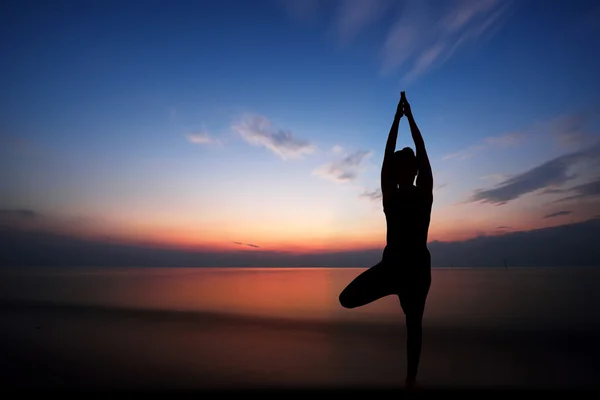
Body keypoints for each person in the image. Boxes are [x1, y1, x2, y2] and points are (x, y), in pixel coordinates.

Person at [339, 91, 433, 390]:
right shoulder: (394, 196)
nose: (403, 171)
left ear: (414, 171)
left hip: (415, 271)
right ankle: (410, 380)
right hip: (393, 267)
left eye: (408, 167)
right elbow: (391, 157)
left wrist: (405, 118)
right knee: (347, 299)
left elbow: (420, 150)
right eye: (399, 168)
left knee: (414, 328)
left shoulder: (421, 194)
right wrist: (401, 118)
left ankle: (410, 381)